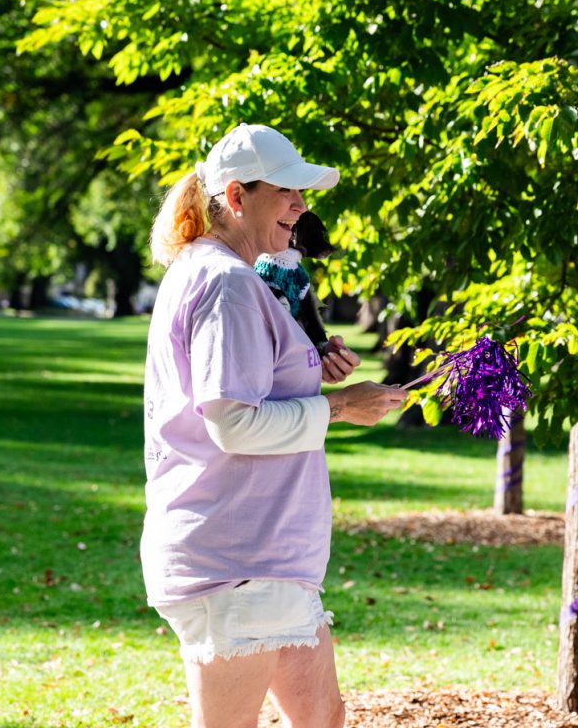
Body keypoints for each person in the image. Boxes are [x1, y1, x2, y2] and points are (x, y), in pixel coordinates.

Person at [142, 123, 407, 728]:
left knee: (322, 719)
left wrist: (315, 362)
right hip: (236, 559)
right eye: (286, 189)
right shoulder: (226, 282)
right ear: (235, 198)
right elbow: (233, 423)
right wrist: (342, 408)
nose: (301, 204)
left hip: (267, 557)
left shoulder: (235, 276)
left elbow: (254, 387)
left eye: (303, 191)